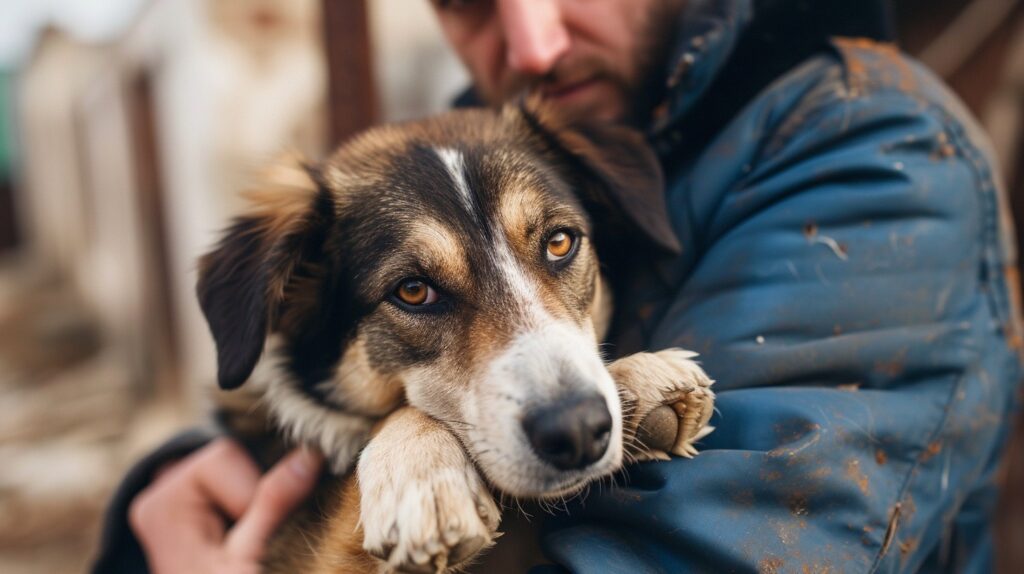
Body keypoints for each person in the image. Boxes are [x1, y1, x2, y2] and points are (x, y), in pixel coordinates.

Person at [93, 0, 1024, 572]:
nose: (533, 39)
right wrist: (158, 506)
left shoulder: (876, 163)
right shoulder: (473, 155)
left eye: (560, 245)